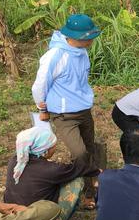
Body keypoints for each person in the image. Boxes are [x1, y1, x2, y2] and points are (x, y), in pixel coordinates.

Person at [31, 14, 102, 208]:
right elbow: (39, 86)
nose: (91, 40)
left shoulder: (82, 51)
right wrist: (41, 107)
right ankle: (85, 187)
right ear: (74, 36)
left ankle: (91, 191)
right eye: (88, 37)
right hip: (64, 115)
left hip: (83, 110)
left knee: (89, 149)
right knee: (79, 154)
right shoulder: (55, 56)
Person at [4, 127, 100, 220]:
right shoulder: (51, 170)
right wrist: (97, 171)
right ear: (45, 150)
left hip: (11, 218)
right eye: (53, 145)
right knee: (77, 180)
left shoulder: (15, 161)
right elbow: (77, 169)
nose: (56, 147)